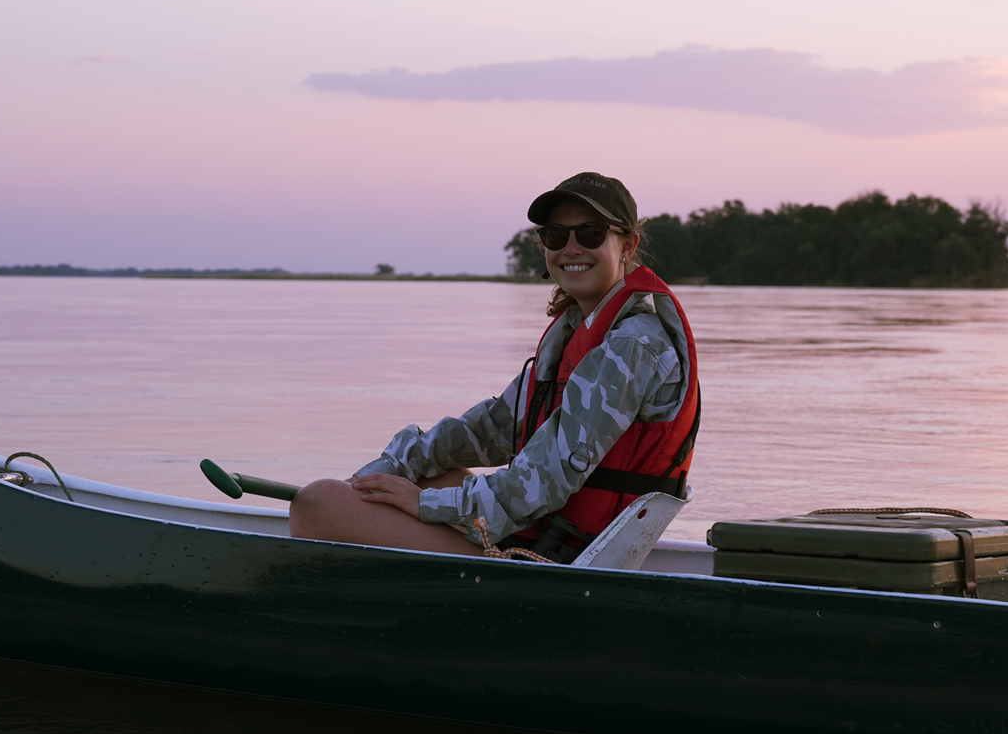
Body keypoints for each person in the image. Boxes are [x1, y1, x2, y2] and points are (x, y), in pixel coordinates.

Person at [288, 172, 701, 562]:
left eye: (590, 233)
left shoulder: (632, 345)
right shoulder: (579, 335)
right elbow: (487, 430)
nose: (570, 248)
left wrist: (417, 503)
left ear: (627, 246)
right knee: (425, 474)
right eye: (556, 235)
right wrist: (382, 473)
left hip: (564, 555)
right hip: (544, 531)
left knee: (316, 504)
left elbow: (541, 483)